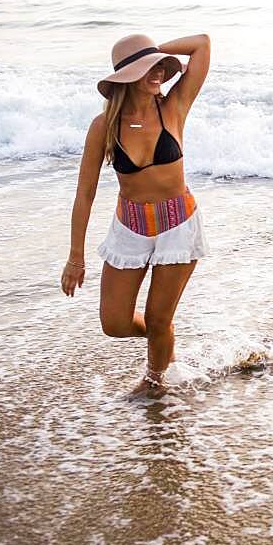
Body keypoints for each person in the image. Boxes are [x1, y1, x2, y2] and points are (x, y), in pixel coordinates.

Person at [60, 33, 211, 395]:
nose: (158, 73)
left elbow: (202, 44)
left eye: (159, 66)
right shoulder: (104, 126)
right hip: (130, 228)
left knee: (160, 317)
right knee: (113, 322)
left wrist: (156, 50)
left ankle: (156, 380)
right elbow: (85, 193)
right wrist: (75, 257)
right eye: (147, 68)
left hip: (178, 225)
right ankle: (164, 342)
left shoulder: (174, 106)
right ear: (126, 76)